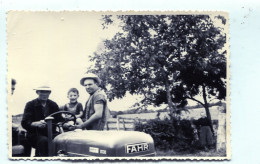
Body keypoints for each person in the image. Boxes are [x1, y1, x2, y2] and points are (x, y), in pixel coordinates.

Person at [21, 85, 63, 157]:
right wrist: (35, 124)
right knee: (44, 141)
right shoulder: (30, 104)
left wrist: (67, 123)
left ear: (50, 93)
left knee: (63, 139)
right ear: (37, 92)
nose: (44, 94)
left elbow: (60, 119)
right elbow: (24, 122)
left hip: (51, 133)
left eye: (47, 92)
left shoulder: (53, 104)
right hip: (34, 134)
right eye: (42, 92)